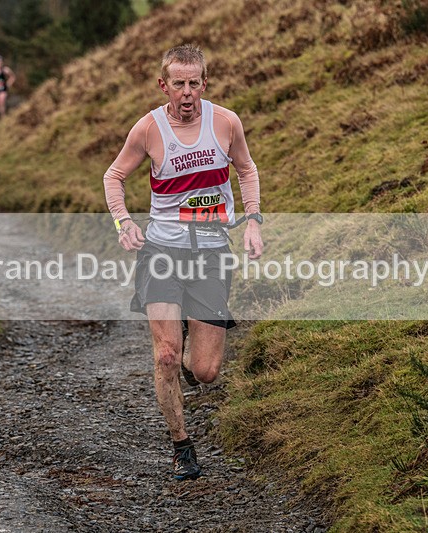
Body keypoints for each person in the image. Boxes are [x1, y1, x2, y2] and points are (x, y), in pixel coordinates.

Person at [103, 44, 264, 480]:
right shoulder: (149, 129)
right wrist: (123, 224)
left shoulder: (226, 123)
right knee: (168, 357)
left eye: (195, 83)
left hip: (211, 253)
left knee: (206, 371)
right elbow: (114, 176)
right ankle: (182, 446)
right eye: (179, 83)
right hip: (161, 253)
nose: (187, 92)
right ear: (164, 85)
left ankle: (192, 341)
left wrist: (252, 222)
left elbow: (246, 170)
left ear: (204, 84)